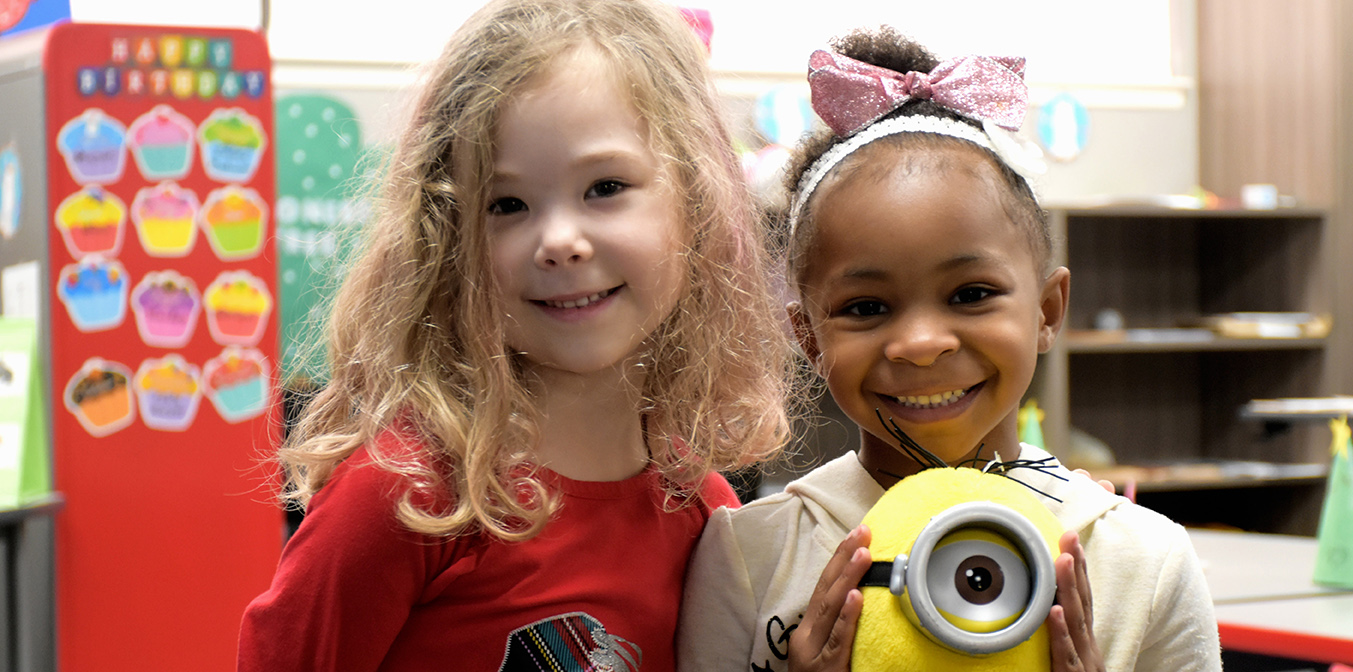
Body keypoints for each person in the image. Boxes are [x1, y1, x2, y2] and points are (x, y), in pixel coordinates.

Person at [238, 0, 793, 669]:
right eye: (507, 205)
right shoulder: (411, 496)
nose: (558, 240)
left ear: (695, 204)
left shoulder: (706, 513)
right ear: (449, 242)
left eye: (605, 186)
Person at [677, 27, 1221, 672]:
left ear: (1046, 312)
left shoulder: (1141, 559)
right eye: (866, 308)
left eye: (971, 293)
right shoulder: (750, 553)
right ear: (809, 339)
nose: (921, 344)